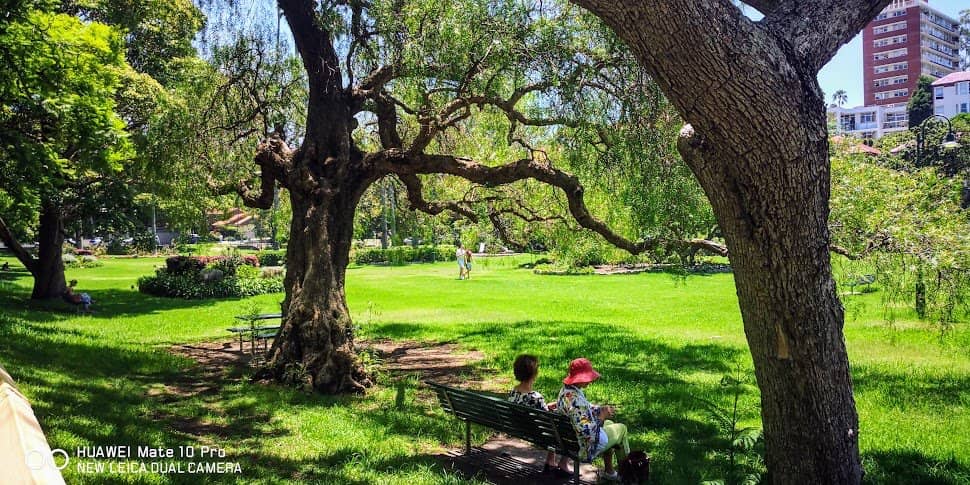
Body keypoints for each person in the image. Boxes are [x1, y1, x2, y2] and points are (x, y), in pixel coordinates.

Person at [556, 358, 630, 482]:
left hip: (568, 439)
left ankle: (610, 472)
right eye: (587, 378)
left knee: (610, 423)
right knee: (622, 429)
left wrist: (599, 409)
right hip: (585, 447)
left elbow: (581, 413)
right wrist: (601, 417)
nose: (590, 381)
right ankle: (627, 476)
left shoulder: (567, 392)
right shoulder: (576, 401)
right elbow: (588, 433)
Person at [508, 355, 562, 475]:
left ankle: (550, 461)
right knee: (558, 426)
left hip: (519, 427)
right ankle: (553, 461)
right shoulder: (535, 397)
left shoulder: (513, 391)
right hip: (537, 432)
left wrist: (546, 407)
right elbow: (547, 418)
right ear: (534, 374)